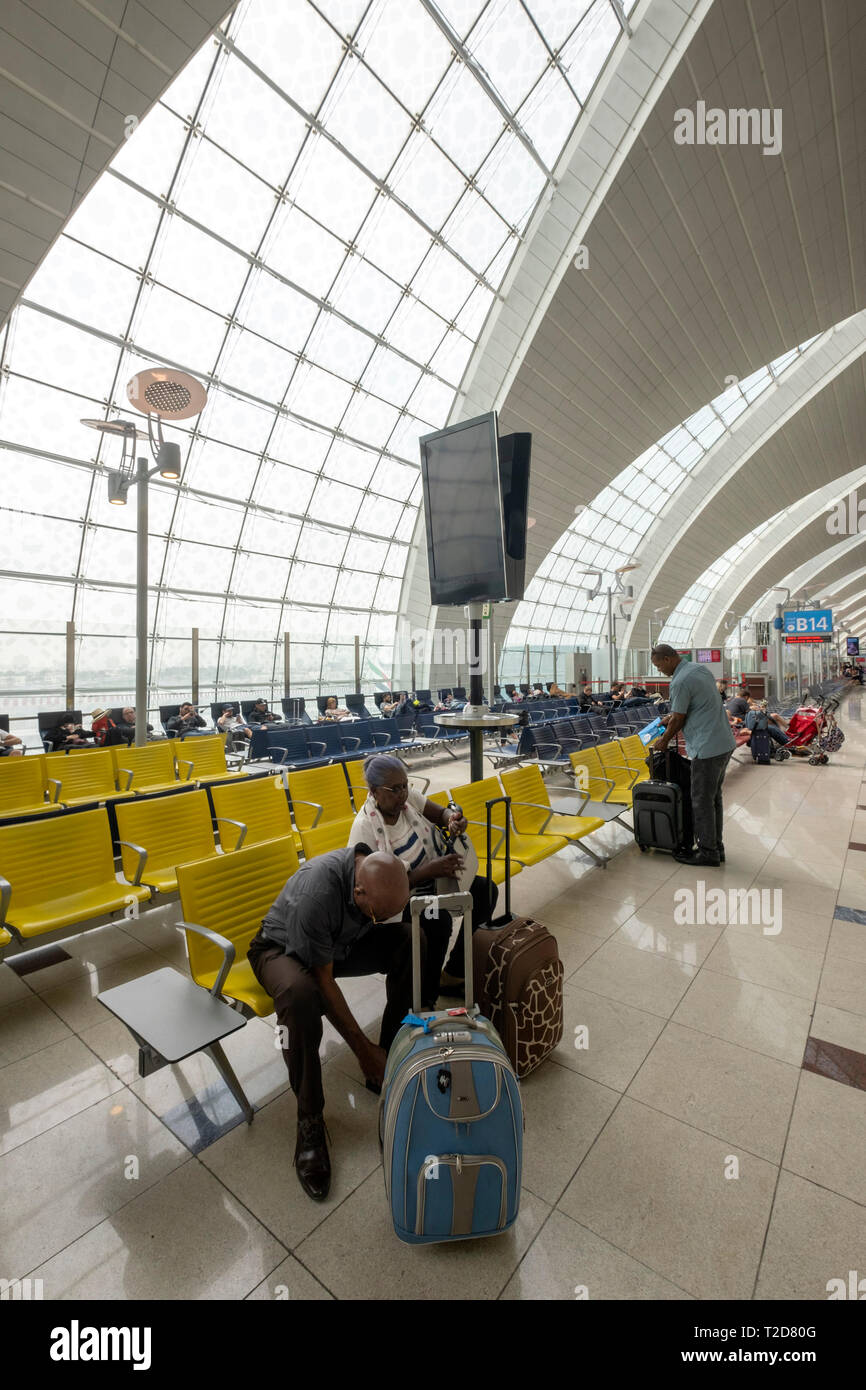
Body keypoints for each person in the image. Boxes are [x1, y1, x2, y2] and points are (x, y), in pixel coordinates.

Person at [247, 848, 411, 1202]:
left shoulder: (374, 879)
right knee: (300, 995)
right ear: (359, 892)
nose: (379, 921)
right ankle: (309, 1120)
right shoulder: (317, 893)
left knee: (412, 941)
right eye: (375, 916)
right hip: (280, 950)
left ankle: (393, 1057)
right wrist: (362, 1050)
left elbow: (378, 920)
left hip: (338, 944)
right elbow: (324, 981)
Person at [347, 754, 498, 996]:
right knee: (438, 921)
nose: (403, 794)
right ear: (375, 792)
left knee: (485, 891)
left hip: (433, 880)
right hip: (398, 902)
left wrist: (453, 821)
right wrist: (428, 871)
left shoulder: (407, 802)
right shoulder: (365, 829)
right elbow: (375, 893)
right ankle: (426, 993)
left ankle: (453, 973)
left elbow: (440, 814)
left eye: (406, 786)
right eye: (395, 789)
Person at [651, 645, 736, 866]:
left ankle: (708, 852)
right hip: (724, 742)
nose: (660, 670)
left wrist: (664, 740)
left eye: (659, 665)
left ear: (669, 659)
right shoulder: (700, 670)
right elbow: (694, 706)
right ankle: (716, 847)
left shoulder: (679, 681)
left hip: (707, 747)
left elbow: (680, 718)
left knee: (701, 801)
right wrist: (671, 717)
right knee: (713, 798)